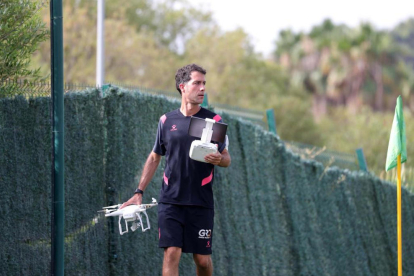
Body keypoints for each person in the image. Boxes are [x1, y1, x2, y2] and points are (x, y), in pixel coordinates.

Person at [121, 64, 231, 276]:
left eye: (204, 84)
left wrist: (219, 159)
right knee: (172, 252)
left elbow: (227, 159)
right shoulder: (166, 121)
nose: (202, 88)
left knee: (203, 261)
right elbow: (154, 157)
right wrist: (139, 191)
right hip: (171, 200)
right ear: (182, 86)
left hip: (201, 202)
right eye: (196, 83)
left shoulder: (213, 121)